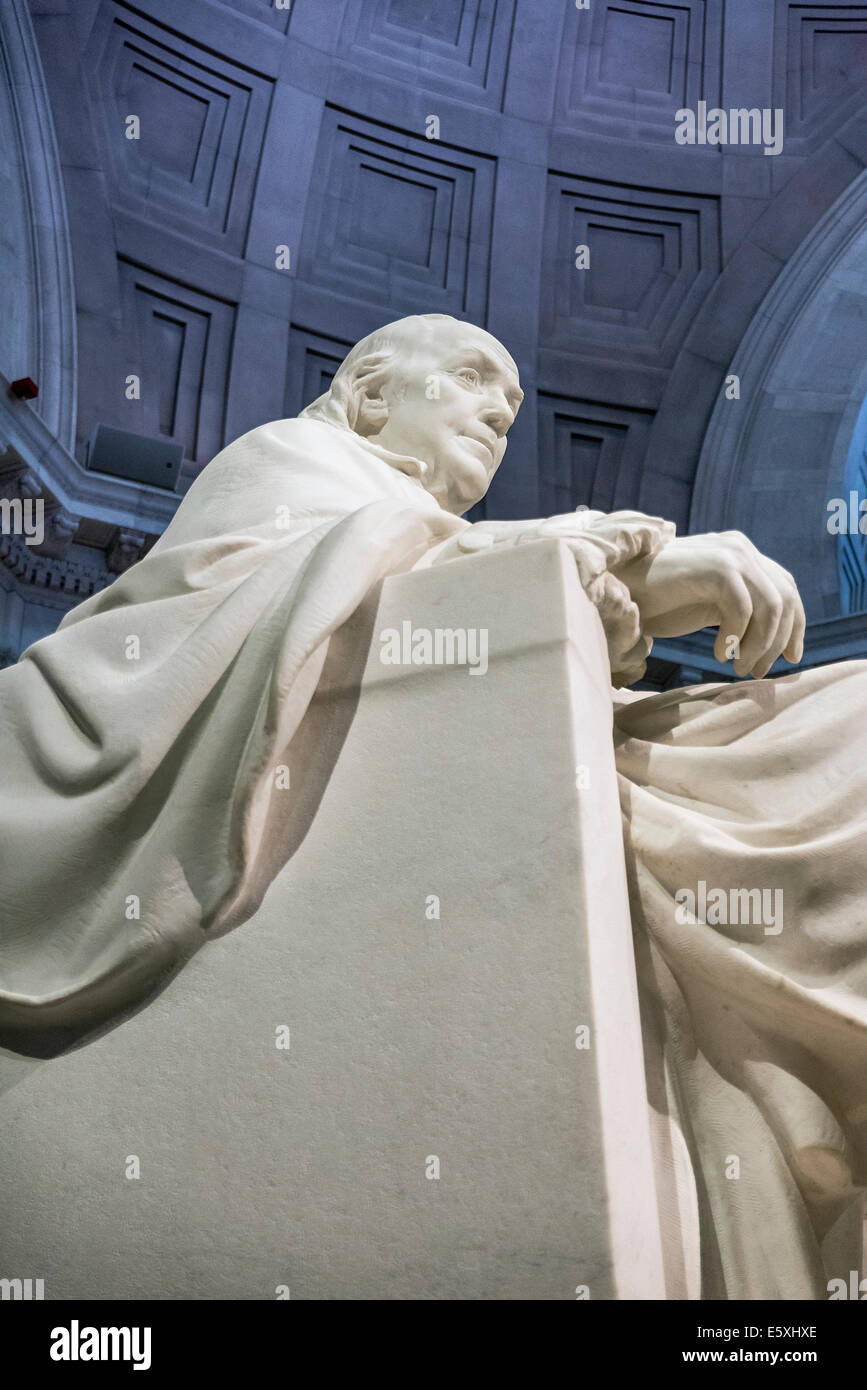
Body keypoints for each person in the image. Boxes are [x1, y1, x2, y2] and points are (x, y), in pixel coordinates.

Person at [1, 312, 864, 1298]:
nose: (501, 410)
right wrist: (630, 566)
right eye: (469, 379)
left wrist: (624, 582)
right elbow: (302, 594)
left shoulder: (424, 526)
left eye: (510, 406)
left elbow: (468, 578)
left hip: (567, 750)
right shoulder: (292, 458)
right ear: (371, 394)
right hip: (531, 770)